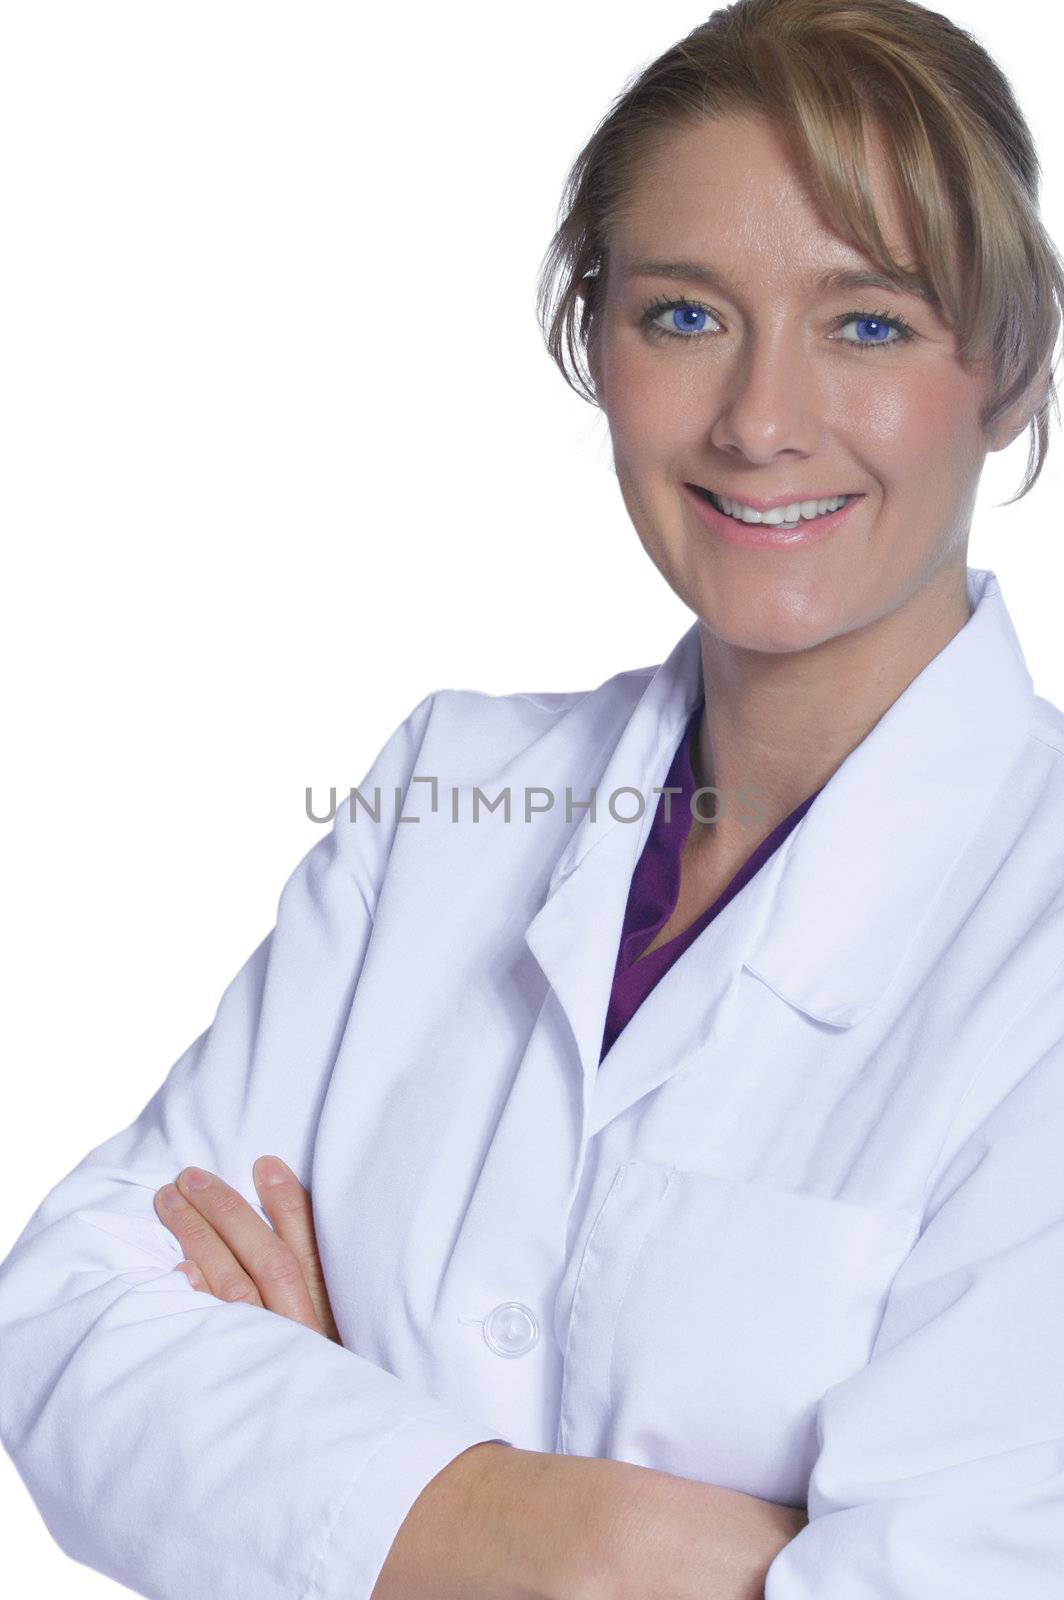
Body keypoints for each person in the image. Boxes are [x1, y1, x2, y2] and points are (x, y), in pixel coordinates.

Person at [2, 0, 1063, 1595]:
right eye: (686, 316)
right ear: (597, 344)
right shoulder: (455, 789)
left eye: (868, 324)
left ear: (1010, 367)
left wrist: (322, 1459)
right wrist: (594, 1539)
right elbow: (68, 1319)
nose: (761, 422)